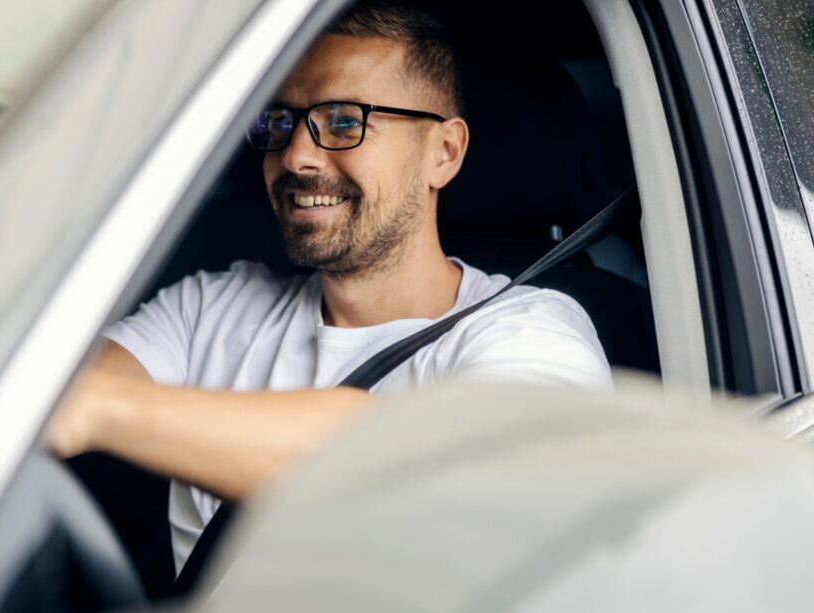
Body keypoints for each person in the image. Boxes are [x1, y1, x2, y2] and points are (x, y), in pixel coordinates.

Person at [47, 2, 612, 579]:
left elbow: (424, 463)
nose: (294, 155)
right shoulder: (209, 307)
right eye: (280, 121)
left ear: (444, 153)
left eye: (344, 121)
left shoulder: (532, 334)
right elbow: (35, 404)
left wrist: (97, 406)